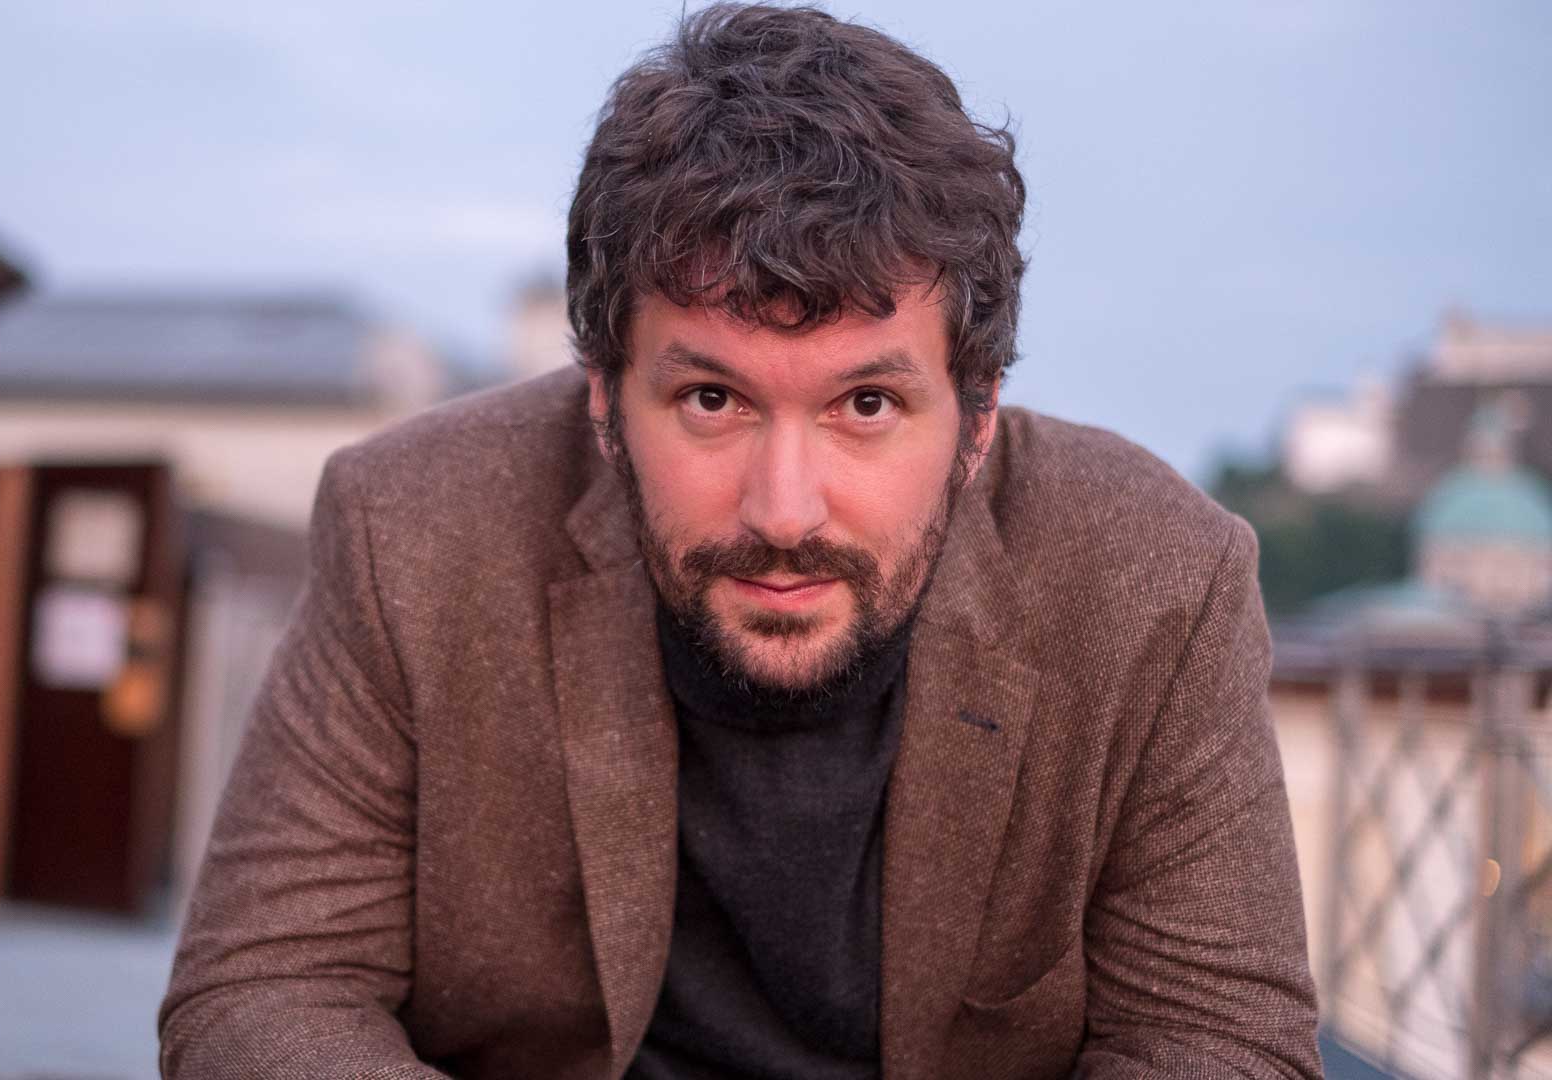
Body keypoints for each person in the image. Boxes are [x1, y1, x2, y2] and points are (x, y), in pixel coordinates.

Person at [159, 5, 1321, 1078]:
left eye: (865, 406)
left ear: (975, 420)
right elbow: (264, 988)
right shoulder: (409, 526)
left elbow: (1218, 1040)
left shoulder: (1159, 578)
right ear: (606, 400)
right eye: (712, 400)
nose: (783, 510)